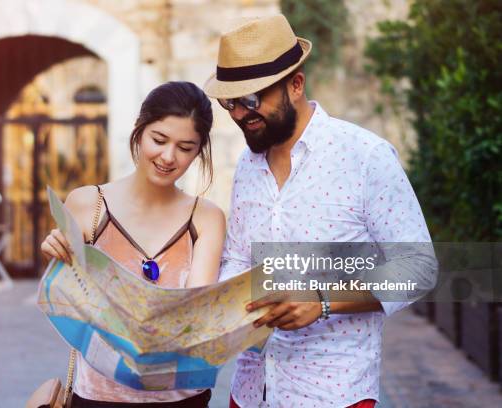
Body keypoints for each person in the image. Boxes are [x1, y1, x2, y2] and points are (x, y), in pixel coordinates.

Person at [203, 15, 437, 408]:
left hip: (334, 395)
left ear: (296, 84)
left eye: (252, 99)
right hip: (249, 391)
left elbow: (418, 267)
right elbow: (240, 258)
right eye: (230, 103)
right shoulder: (247, 164)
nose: (241, 114)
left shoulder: (365, 156)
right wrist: (217, 308)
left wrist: (322, 299)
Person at [40, 81, 226, 407]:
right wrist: (56, 257)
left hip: (180, 398)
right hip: (100, 396)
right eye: (159, 140)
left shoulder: (206, 217)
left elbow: (196, 316)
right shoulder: (87, 203)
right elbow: (70, 301)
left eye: (185, 148)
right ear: (139, 130)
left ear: (199, 150)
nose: (168, 157)